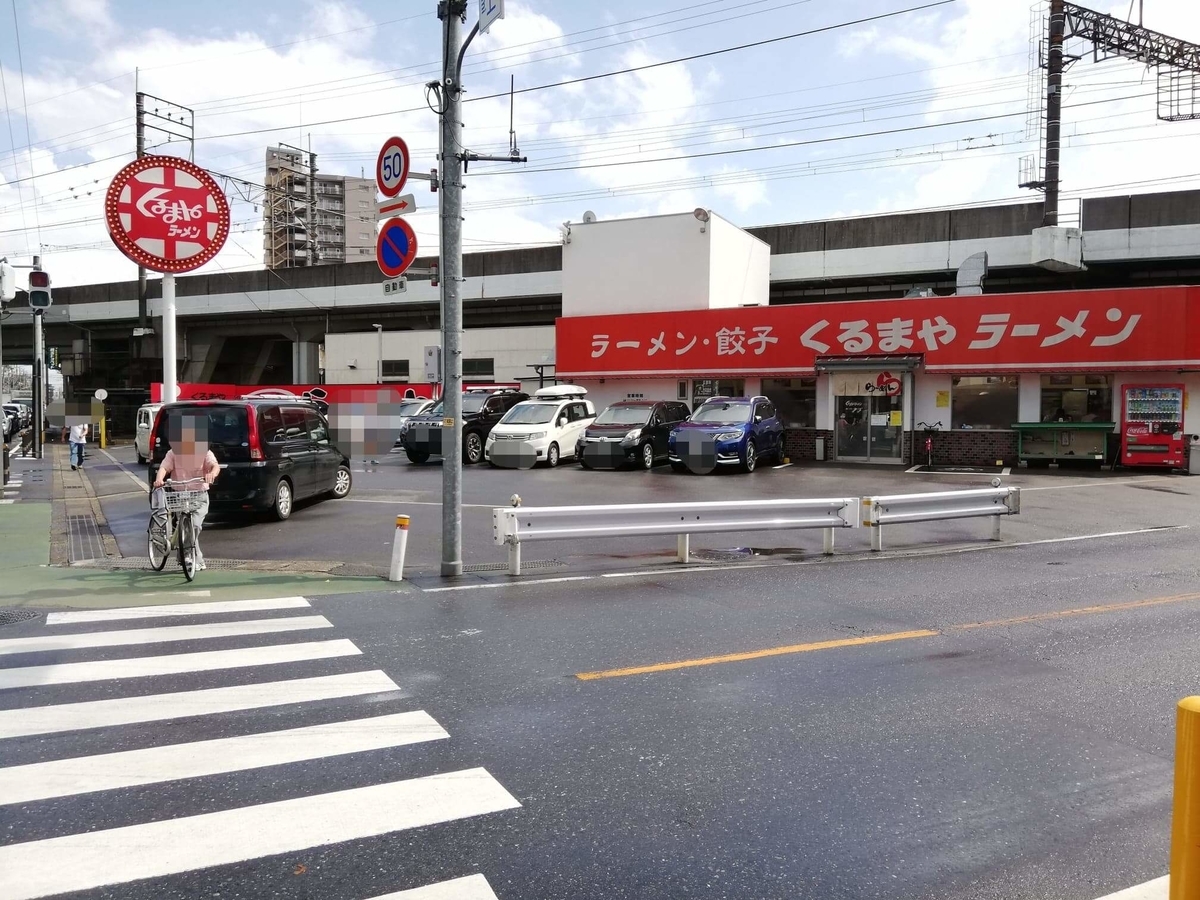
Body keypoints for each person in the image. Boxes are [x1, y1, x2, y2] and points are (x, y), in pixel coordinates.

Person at [153, 415, 220, 570]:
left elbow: (214, 466)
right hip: (179, 496)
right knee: (186, 527)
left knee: (194, 526)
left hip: (199, 495)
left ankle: (188, 556)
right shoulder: (173, 453)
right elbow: (164, 467)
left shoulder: (204, 452)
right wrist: (159, 479)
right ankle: (192, 558)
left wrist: (212, 474)